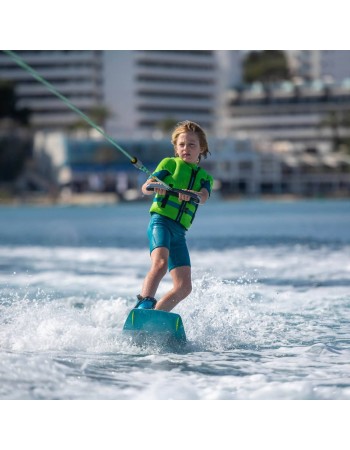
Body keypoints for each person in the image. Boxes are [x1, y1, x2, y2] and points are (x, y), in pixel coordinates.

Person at [134, 120, 213, 312]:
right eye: (182, 145)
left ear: (201, 148)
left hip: (179, 233)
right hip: (160, 223)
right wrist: (157, 187)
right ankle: (144, 304)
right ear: (176, 149)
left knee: (184, 287)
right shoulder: (168, 164)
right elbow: (146, 187)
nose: (186, 148)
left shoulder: (205, 177)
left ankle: (157, 314)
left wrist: (190, 194)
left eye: (192, 145)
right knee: (160, 264)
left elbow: (203, 197)